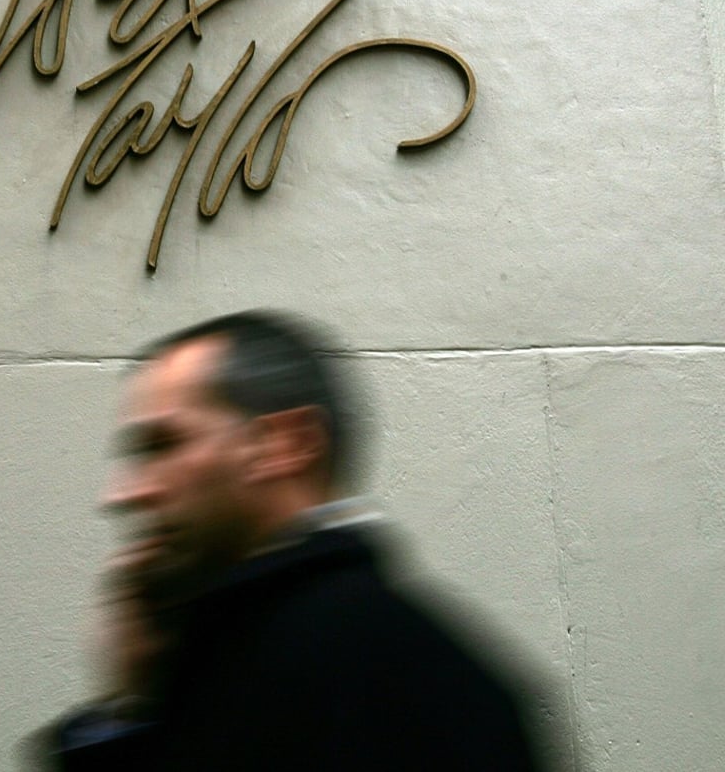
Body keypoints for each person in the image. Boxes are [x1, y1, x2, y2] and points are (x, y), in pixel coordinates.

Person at [42, 310, 543, 771]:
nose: (123, 494)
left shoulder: (384, 675)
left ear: (288, 443)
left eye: (164, 444)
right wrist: (132, 707)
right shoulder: (242, 651)